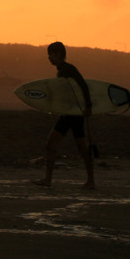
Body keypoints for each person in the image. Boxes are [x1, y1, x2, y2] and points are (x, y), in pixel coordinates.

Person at [32, 41, 95, 189]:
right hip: (68, 113)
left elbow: (83, 86)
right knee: (53, 145)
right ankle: (48, 179)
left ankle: (90, 180)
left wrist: (88, 106)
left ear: (58, 54)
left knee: (78, 147)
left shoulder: (69, 69)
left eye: (50, 55)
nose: (49, 58)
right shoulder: (61, 70)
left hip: (74, 114)